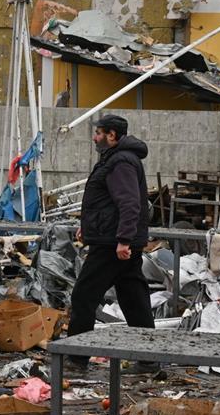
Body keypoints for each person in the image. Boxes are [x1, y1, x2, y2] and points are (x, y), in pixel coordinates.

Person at [66, 114, 155, 370]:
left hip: (111, 246)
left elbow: (129, 203)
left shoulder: (121, 162)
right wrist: (88, 228)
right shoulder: (114, 159)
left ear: (112, 135)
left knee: (84, 296)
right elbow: (104, 202)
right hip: (111, 240)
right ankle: (149, 359)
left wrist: (124, 240)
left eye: (99, 133)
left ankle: (76, 357)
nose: (95, 138)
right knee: (134, 301)